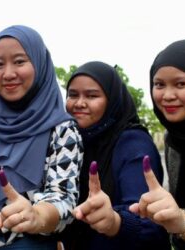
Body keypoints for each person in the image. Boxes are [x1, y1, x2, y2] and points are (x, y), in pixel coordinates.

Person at [0, 25, 83, 249]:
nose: (8, 73)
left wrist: (38, 215)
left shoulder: (60, 128)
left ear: (39, 64)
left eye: (20, 61)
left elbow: (63, 197)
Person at [59, 61, 171, 249]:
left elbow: (149, 219)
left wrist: (115, 221)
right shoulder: (73, 141)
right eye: (72, 95)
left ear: (111, 100)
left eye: (92, 95)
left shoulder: (133, 143)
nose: (79, 103)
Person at [129, 39, 185, 250]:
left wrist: (184, 221)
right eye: (159, 84)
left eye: (181, 84)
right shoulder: (175, 137)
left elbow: (182, 218)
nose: (167, 96)